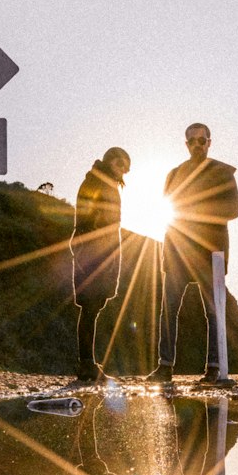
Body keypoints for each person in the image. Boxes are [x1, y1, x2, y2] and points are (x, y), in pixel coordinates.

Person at [147, 123, 238, 384]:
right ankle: (164, 367)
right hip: (178, 249)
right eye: (192, 141)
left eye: (202, 140)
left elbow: (233, 209)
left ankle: (213, 368)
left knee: (213, 311)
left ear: (209, 142)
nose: (197, 145)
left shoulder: (223, 173)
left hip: (210, 250)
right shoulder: (174, 174)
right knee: (169, 308)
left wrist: (199, 213)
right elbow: (167, 208)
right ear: (186, 145)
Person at [70, 147, 131, 382]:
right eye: (119, 163)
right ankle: (86, 363)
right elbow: (84, 217)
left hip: (105, 253)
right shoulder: (95, 180)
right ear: (108, 161)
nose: (123, 169)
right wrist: (85, 250)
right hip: (93, 252)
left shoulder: (110, 184)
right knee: (89, 308)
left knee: (94, 308)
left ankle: (88, 362)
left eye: (126, 166)